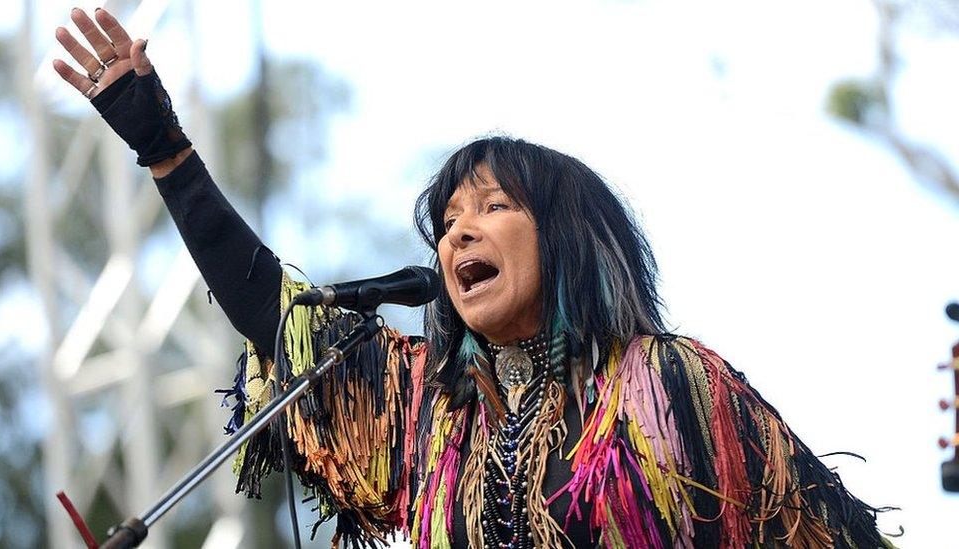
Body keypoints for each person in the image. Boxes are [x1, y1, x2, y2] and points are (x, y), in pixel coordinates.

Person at [54, 8, 895, 548]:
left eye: (492, 206)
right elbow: (281, 315)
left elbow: (827, 529)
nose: (460, 229)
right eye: (450, 218)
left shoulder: (669, 381)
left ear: (565, 239)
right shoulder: (435, 414)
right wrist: (166, 152)